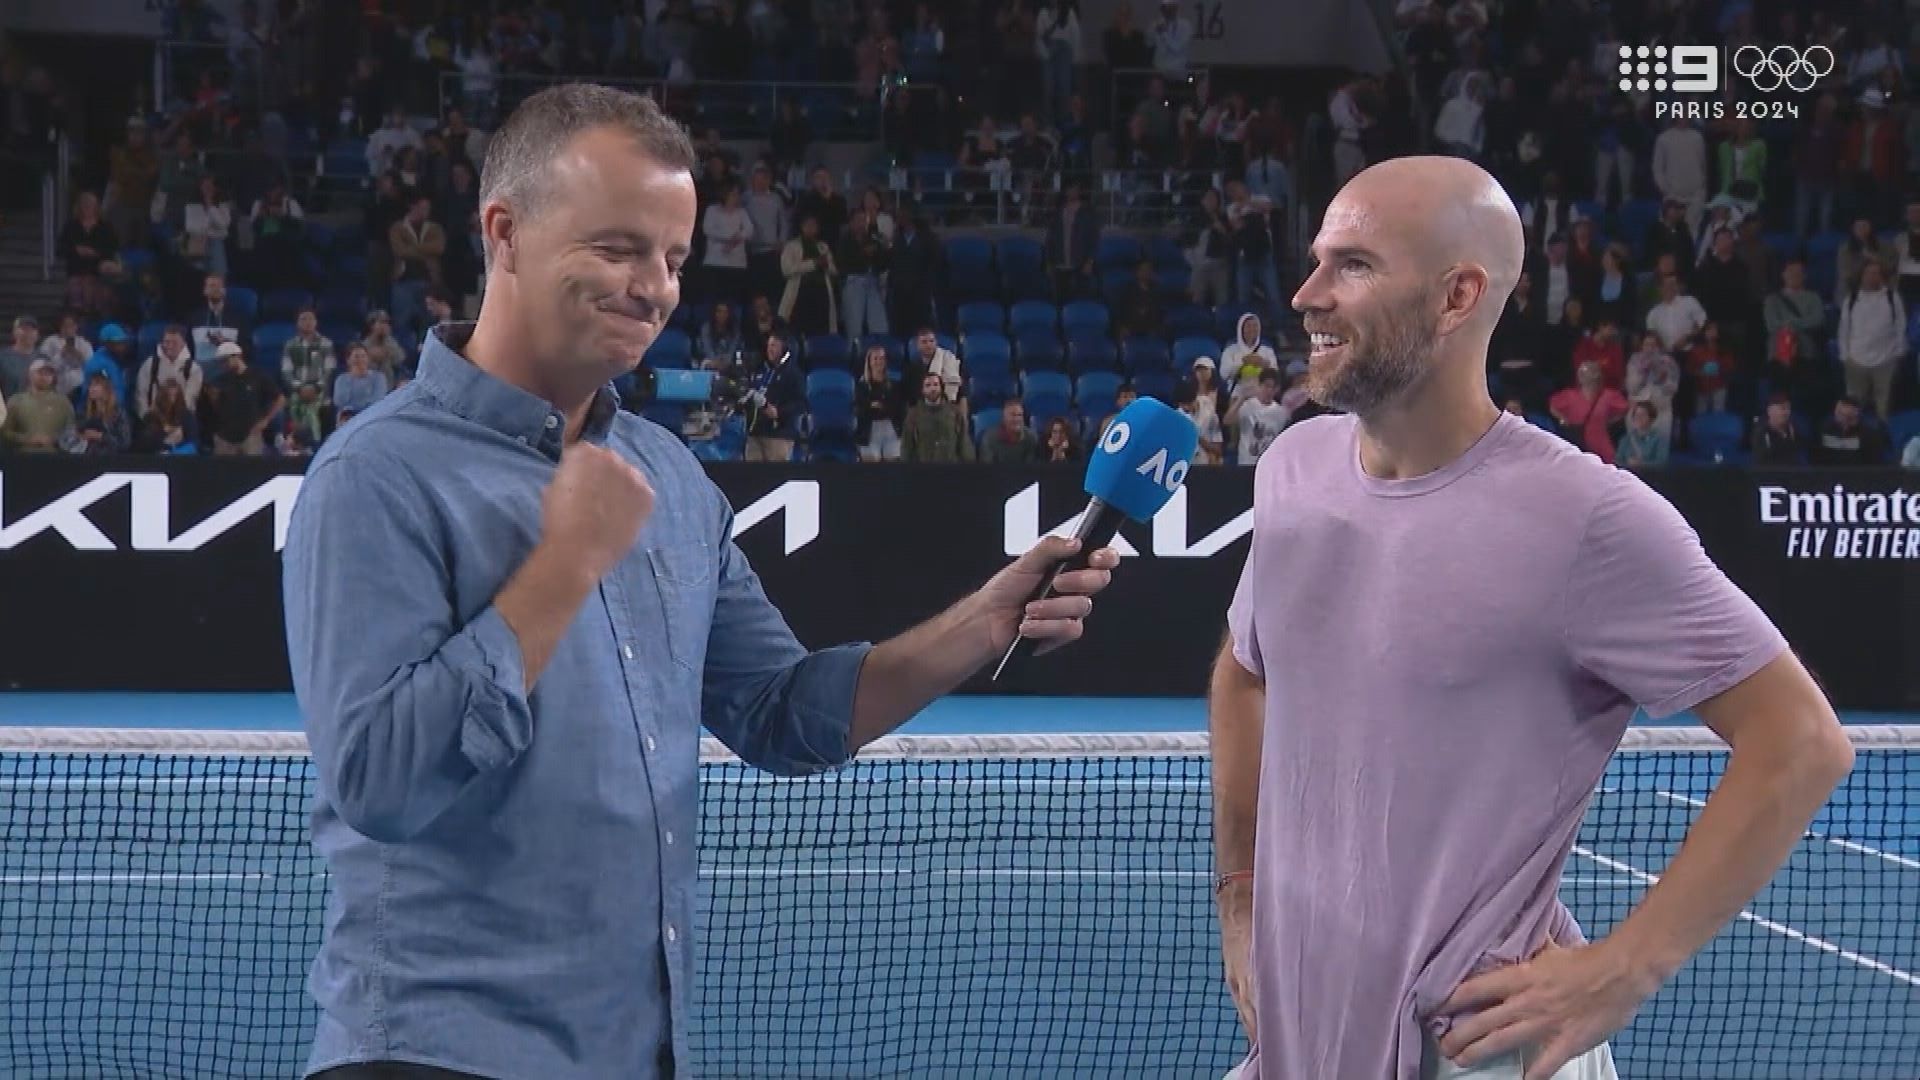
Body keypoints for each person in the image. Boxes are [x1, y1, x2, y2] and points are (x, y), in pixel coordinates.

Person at [281, 84, 1120, 1080]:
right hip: (432, 1055)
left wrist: (981, 625)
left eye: (674, 258)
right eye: (619, 248)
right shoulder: (376, 475)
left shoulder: (669, 479)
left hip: (634, 1052)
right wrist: (563, 566)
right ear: (504, 233)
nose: (656, 286)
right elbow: (381, 778)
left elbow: (779, 712)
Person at [1211, 157, 1852, 1080]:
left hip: (1467, 1047)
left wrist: (1625, 968)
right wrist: (1241, 893)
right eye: (1316, 260)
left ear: (1457, 295)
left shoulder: (1589, 518)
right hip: (1309, 1037)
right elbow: (1246, 669)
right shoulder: (1293, 468)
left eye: (1352, 265)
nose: (1308, 295)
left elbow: (1800, 741)